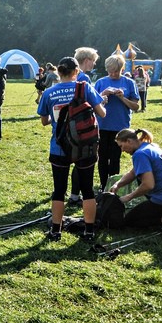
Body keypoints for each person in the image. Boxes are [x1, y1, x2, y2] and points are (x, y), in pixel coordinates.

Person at [37, 57, 106, 241]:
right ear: (77, 71)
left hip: (59, 147)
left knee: (59, 190)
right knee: (88, 189)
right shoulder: (85, 88)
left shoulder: (49, 93)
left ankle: (55, 231)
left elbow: (44, 121)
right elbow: (102, 113)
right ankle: (89, 231)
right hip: (85, 146)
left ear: (58, 72)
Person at [110, 128, 162, 236]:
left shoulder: (140, 154)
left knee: (129, 220)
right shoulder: (150, 146)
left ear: (129, 141)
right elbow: (134, 172)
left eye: (121, 146)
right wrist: (118, 184)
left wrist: (129, 197)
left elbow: (148, 185)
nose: (122, 150)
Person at [94, 54, 140, 190]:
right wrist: (103, 95)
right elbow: (92, 104)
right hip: (102, 126)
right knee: (102, 158)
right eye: (110, 71)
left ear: (122, 69)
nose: (113, 74)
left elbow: (136, 107)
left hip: (120, 127)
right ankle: (103, 185)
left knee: (115, 158)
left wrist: (122, 97)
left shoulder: (129, 83)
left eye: (116, 71)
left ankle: (112, 186)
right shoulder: (101, 82)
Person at [68, 47, 100, 206]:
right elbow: (90, 103)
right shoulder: (84, 78)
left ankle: (73, 194)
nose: (94, 64)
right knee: (83, 161)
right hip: (82, 124)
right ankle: (76, 195)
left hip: (69, 124)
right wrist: (104, 97)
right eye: (93, 61)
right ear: (86, 60)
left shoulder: (71, 76)